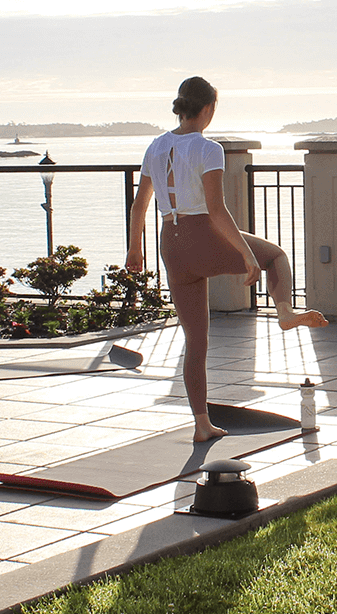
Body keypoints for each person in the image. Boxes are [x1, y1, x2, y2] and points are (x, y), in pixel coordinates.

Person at [127, 77, 325, 443]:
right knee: (276, 257)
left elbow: (140, 204)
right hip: (201, 234)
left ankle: (202, 424)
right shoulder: (208, 148)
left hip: (169, 243)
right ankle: (283, 312)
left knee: (195, 342)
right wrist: (247, 255)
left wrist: (133, 250)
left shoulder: (155, 147)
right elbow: (216, 210)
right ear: (206, 109)